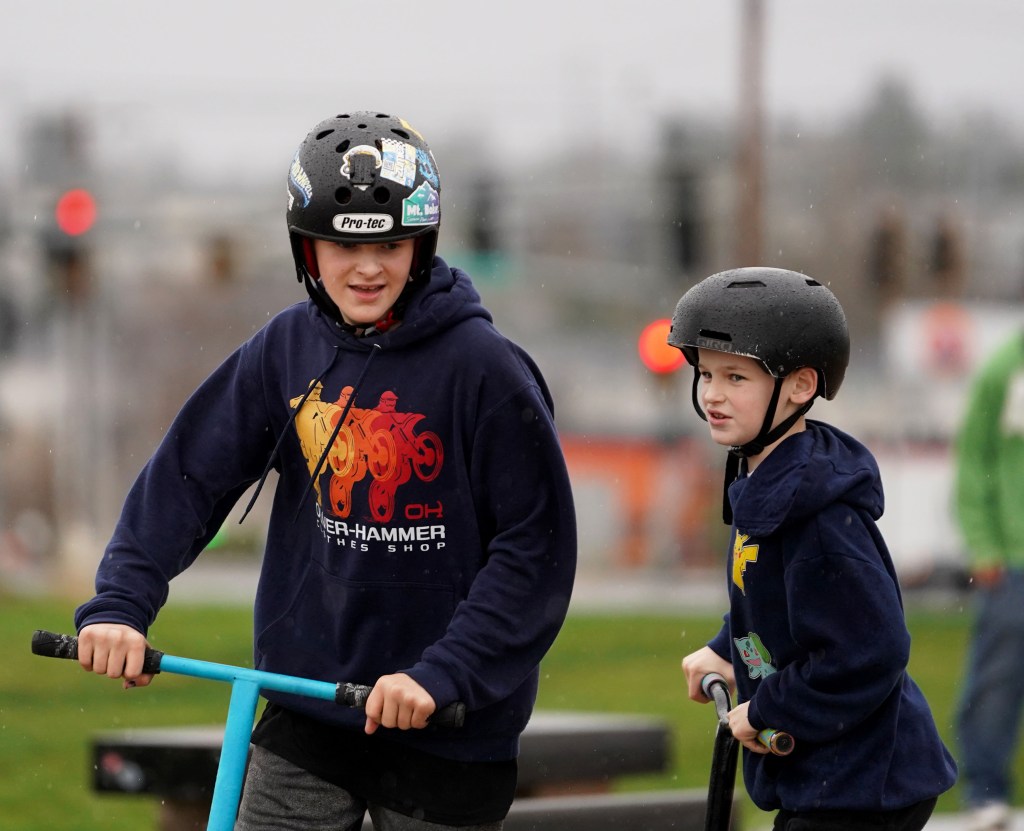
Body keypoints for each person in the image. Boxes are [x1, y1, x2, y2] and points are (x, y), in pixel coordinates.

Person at [72, 111, 578, 830]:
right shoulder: (285, 349)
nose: (368, 268)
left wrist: (444, 672)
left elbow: (534, 551)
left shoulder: (485, 370)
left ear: (423, 244)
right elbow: (188, 476)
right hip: (308, 703)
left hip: (447, 721)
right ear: (305, 247)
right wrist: (121, 603)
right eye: (343, 245)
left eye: (390, 244)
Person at [673, 268, 957, 831]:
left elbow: (871, 650)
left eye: (735, 377)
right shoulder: (766, 484)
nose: (712, 394)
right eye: (706, 374)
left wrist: (768, 708)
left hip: (862, 784)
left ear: (800, 386)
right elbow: (775, 602)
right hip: (827, 776)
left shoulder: (821, 521)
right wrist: (728, 647)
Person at [953, 329, 1024, 831]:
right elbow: (973, 458)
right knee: (997, 683)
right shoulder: (1004, 369)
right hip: (1014, 558)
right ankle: (985, 791)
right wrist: (983, 544)